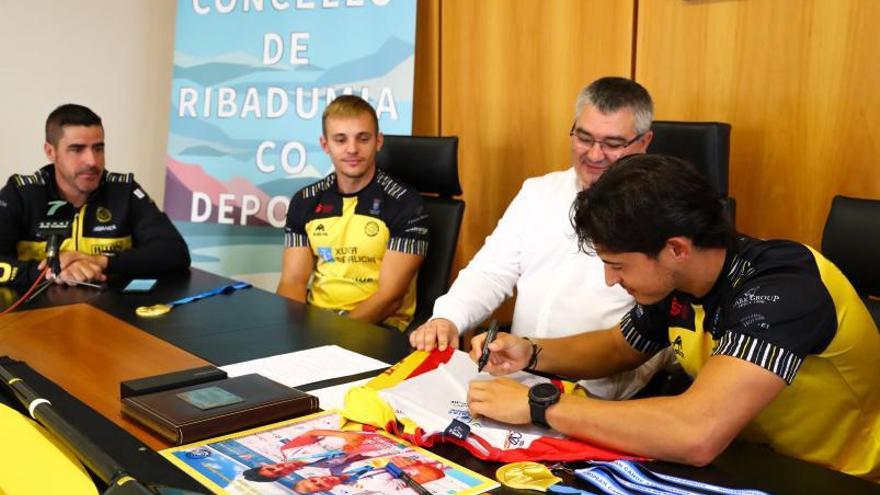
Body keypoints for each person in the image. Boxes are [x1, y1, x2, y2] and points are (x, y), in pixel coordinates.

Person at [466, 154, 880, 480]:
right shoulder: (677, 281)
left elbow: (695, 433)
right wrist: (531, 352)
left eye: (618, 265)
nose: (611, 280)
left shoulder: (784, 288)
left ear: (676, 249)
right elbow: (615, 347)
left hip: (841, 477)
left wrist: (540, 407)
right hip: (749, 460)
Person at [410, 77, 669, 399]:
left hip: (600, 391)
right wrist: (448, 318)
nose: (594, 154)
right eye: (584, 137)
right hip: (515, 376)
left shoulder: (663, 213)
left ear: (644, 143)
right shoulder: (539, 192)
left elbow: (659, 335)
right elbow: (491, 272)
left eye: (612, 144)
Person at [277, 95, 428, 331]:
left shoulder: (407, 204)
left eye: (363, 138)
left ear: (378, 142)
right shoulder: (304, 201)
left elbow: (390, 297)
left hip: (379, 329)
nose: (352, 149)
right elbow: (292, 283)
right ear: (325, 144)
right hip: (315, 325)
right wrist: (294, 331)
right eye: (340, 139)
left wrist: (336, 336)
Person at [0, 104, 190, 287]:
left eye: (98, 148)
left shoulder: (124, 191)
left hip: (112, 313)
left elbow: (175, 252)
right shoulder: (21, 193)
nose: (92, 161)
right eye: (77, 149)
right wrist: (51, 271)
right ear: (51, 152)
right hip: (33, 315)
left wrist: (101, 262)